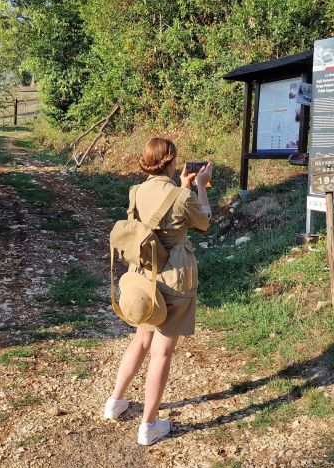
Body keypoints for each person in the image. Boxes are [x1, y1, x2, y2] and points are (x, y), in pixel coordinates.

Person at [103, 137, 213, 446]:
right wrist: (201, 185)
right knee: (162, 352)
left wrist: (183, 185)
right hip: (175, 277)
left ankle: (115, 401)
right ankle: (148, 425)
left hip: (143, 275)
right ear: (171, 160)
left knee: (141, 340)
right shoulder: (181, 196)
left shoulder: (135, 191)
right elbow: (203, 222)